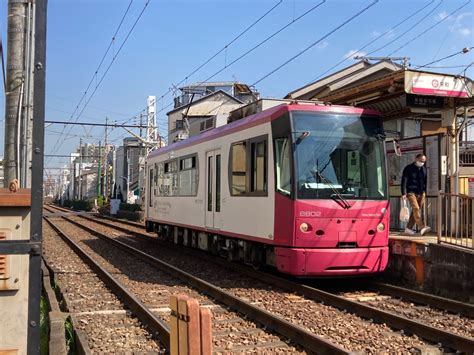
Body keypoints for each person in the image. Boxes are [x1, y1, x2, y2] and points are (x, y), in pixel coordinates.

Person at [401, 153, 431, 236]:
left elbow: (425, 181)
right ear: (416, 159)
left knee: (416, 211)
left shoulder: (424, 169)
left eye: (424, 161)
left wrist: (424, 192)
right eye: (421, 161)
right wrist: (403, 193)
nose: (422, 162)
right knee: (416, 208)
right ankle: (422, 227)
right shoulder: (408, 168)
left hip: (421, 192)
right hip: (411, 192)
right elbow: (404, 181)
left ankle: (408, 228)